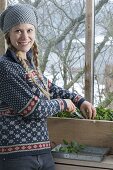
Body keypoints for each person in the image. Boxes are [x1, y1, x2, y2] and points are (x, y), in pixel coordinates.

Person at [0, 3, 96, 170]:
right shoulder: (5, 68)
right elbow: (33, 109)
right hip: (15, 157)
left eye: (29, 30)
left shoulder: (29, 66)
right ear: (9, 34)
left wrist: (79, 100)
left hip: (43, 152)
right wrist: (63, 103)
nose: (25, 36)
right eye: (18, 30)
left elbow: (51, 88)